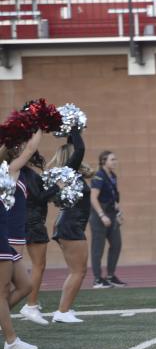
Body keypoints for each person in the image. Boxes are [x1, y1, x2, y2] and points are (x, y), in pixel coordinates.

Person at [0, 132, 44, 349]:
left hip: (6, 233)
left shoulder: (8, 171)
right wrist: (40, 125)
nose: (20, 150)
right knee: (1, 290)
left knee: (25, 285)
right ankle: (11, 341)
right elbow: (28, 151)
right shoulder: (9, 171)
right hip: (3, 234)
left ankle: (5, 324)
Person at [49, 130, 92, 321]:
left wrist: (71, 134)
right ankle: (63, 311)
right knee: (79, 271)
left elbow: (77, 147)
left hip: (69, 224)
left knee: (77, 270)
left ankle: (64, 309)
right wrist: (74, 128)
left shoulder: (69, 174)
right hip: (71, 225)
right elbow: (80, 148)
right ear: (71, 156)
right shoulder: (69, 170)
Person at [18, 150, 57, 324]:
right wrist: (58, 186)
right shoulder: (25, 173)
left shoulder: (16, 171)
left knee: (11, 269)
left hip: (20, 221)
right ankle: (31, 305)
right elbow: (39, 197)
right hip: (32, 221)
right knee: (38, 265)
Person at [89, 150, 125, 288]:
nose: (115, 162)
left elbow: (113, 198)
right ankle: (97, 279)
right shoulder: (99, 176)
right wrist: (101, 215)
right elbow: (93, 198)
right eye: (112, 159)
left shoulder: (112, 176)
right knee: (98, 248)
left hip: (111, 213)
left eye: (115, 159)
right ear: (103, 161)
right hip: (100, 216)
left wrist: (118, 213)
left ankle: (110, 276)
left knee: (116, 244)